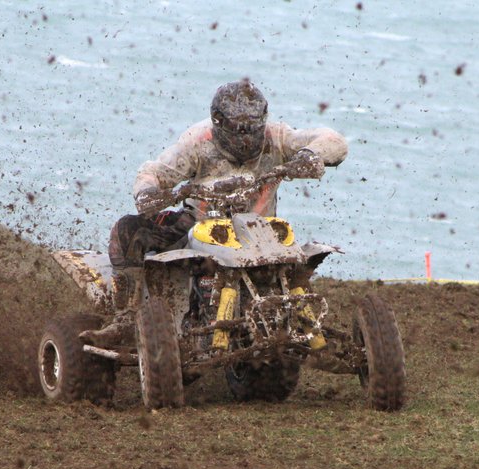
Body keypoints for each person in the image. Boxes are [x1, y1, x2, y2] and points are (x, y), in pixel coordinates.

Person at [79, 78, 348, 347]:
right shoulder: (198, 141)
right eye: (239, 129)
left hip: (260, 235)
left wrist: (309, 155)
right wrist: (148, 192)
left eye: (253, 128)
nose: (246, 137)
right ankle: (126, 317)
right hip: (199, 224)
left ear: (263, 120)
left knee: (299, 266)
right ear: (218, 121)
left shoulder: (277, 137)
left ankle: (302, 323)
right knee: (128, 229)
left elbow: (333, 141)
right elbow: (153, 172)